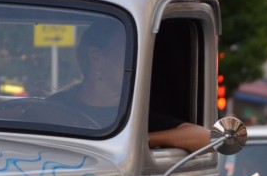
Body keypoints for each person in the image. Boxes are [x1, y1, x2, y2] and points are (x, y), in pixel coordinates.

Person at [49, 19, 211, 151]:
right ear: (97, 57)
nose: (138, 60)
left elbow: (207, 138)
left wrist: (141, 142)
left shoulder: (137, 112)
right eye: (128, 50)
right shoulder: (53, 107)